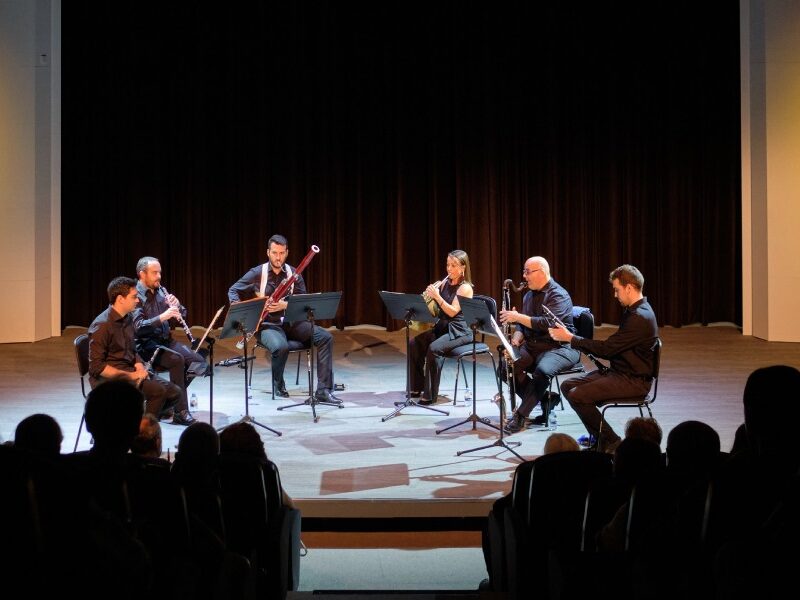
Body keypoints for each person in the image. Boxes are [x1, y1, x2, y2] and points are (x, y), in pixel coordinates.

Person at [549, 264, 658, 453]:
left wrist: (571, 339)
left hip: (633, 380)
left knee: (577, 395)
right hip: (621, 372)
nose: (615, 295)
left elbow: (607, 349)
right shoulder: (635, 311)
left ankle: (611, 441)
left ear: (629, 288)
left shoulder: (639, 317)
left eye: (617, 290)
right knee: (567, 387)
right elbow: (613, 348)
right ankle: (599, 438)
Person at [228, 234, 339, 403]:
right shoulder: (258, 273)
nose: (278, 257)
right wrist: (245, 313)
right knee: (281, 347)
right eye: (274, 253)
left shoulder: (294, 273)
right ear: (268, 252)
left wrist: (284, 305)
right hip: (266, 325)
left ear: (286, 252)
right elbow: (233, 290)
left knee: (325, 337)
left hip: (290, 323)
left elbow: (303, 301)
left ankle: (323, 390)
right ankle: (278, 383)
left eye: (281, 253)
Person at [88, 276, 194, 425]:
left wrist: (138, 365)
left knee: (175, 393)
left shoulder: (128, 318)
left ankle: (137, 421)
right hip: (110, 379)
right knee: (159, 392)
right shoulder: (102, 325)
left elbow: (133, 349)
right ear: (120, 299)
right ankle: (141, 432)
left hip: (131, 370)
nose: (138, 301)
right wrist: (131, 375)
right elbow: (96, 368)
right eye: (134, 297)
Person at [498, 256, 580, 433]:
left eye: (528, 272)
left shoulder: (558, 294)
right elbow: (522, 325)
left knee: (542, 371)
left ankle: (521, 415)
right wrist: (516, 338)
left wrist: (518, 317)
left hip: (560, 346)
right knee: (506, 367)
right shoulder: (528, 295)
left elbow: (547, 323)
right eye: (524, 272)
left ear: (542, 271)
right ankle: (544, 400)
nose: (524, 276)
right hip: (534, 346)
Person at [132, 256, 208, 414]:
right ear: (142, 274)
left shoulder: (161, 290)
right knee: (177, 360)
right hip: (147, 346)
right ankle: (181, 412)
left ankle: (169, 398)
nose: (159, 276)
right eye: (154, 273)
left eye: (159, 272)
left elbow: (183, 314)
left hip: (166, 341)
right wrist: (163, 317)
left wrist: (178, 306)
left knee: (199, 363)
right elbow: (138, 328)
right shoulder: (135, 296)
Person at [408, 250, 474, 403]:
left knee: (434, 348)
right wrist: (428, 298)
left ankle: (430, 395)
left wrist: (437, 296)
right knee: (414, 343)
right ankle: (417, 386)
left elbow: (452, 312)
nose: (449, 269)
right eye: (447, 265)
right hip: (443, 328)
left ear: (463, 268)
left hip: (460, 331)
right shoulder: (444, 283)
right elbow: (437, 312)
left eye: (453, 265)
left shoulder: (466, 288)